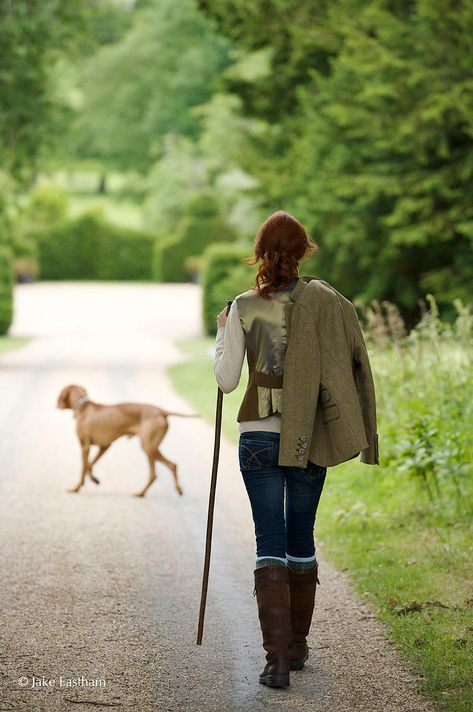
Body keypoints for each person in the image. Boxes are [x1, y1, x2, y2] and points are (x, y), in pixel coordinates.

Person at [213, 210, 376, 690]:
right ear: (304, 251)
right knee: (301, 538)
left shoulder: (243, 306)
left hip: (258, 437)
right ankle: (298, 647)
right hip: (310, 436)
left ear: (260, 254)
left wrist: (224, 331)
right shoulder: (328, 302)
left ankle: (276, 662)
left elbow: (226, 381)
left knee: (270, 543)